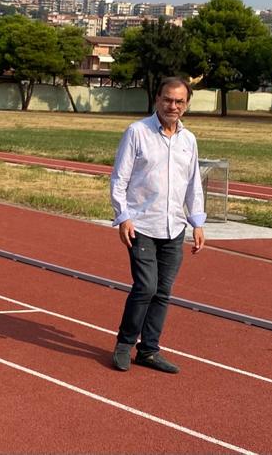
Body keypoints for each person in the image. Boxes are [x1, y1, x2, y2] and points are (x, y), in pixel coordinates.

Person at [109, 76, 206, 374]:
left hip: (174, 227)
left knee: (163, 291)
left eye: (179, 101)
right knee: (145, 287)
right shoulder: (137, 132)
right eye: (167, 99)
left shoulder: (188, 140)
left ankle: (149, 350)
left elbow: (193, 183)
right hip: (141, 225)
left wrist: (197, 221)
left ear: (186, 105)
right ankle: (125, 343)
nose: (172, 106)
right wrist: (123, 216)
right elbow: (119, 179)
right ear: (157, 100)